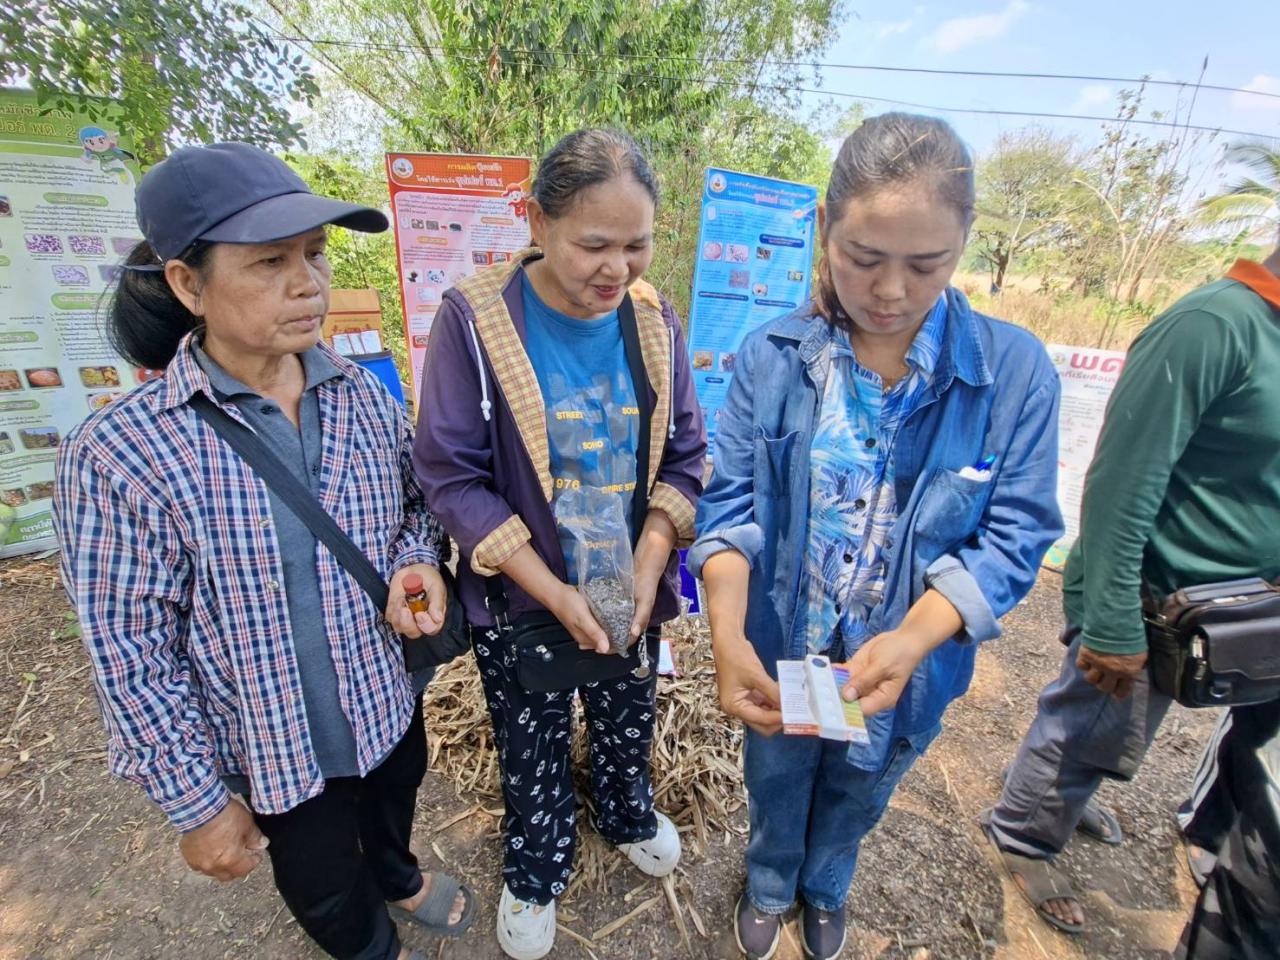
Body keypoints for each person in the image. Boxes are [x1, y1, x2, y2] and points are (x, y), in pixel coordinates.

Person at [53, 142, 473, 960]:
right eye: (270, 262)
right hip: (271, 744)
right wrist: (198, 804)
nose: (307, 282)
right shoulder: (119, 453)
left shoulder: (362, 398)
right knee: (319, 881)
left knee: (395, 798)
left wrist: (418, 561)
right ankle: (367, 944)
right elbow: (129, 651)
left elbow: (415, 508)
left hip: (383, 701)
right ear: (187, 284)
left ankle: (397, 873)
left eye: (315, 254)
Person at [689, 112, 1063, 960]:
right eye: (863, 258)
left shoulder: (1012, 375)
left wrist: (914, 638)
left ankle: (826, 888)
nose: (889, 290)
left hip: (905, 671)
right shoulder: (771, 358)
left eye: (924, 265)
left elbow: (1017, 532)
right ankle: (771, 878)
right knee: (776, 776)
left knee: (862, 789)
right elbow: (731, 507)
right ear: (824, 231)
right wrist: (725, 638)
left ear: (964, 245)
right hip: (783, 645)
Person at [414, 128, 706, 960]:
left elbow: (687, 456)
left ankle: (623, 809)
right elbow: (451, 476)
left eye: (637, 244)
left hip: (629, 584)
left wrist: (649, 565)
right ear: (535, 221)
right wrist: (552, 591)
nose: (617, 269)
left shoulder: (653, 319)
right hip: (525, 593)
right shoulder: (475, 322)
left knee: (627, 714)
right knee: (531, 736)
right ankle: (537, 865)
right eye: (594, 245)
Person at [983, 242, 1280, 937]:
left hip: (1235, 608)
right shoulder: (1214, 325)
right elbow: (1122, 480)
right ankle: (1024, 834)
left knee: (1119, 728)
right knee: (1090, 720)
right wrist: (1112, 621)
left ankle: (1059, 795)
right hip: (1156, 598)